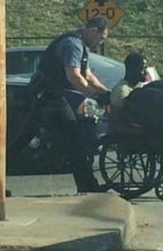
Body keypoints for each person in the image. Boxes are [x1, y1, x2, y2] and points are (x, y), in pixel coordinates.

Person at [32, 16, 112, 193]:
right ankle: (87, 186)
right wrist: (94, 96)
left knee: (75, 141)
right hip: (47, 96)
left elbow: (88, 75)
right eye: (101, 38)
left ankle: (88, 185)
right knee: (74, 139)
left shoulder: (82, 46)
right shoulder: (72, 45)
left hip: (53, 96)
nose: (100, 42)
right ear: (93, 31)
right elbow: (74, 76)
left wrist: (106, 93)